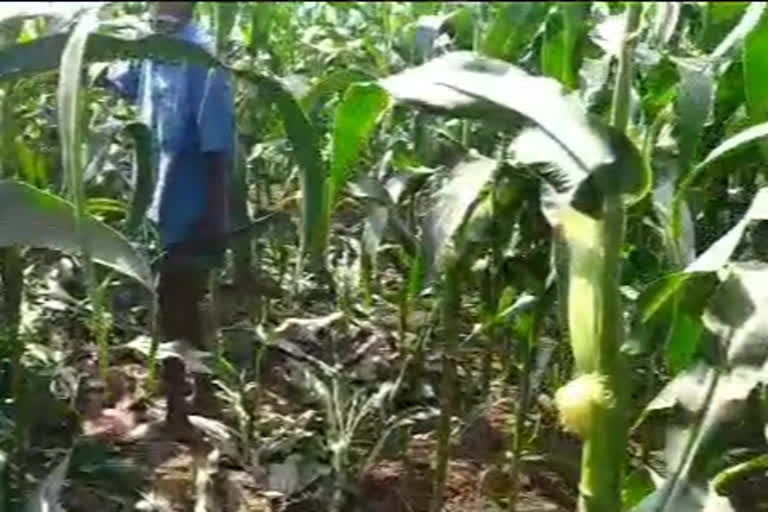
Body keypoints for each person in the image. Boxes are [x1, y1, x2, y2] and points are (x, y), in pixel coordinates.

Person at [103, 2, 235, 435]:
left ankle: (179, 408)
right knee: (169, 299)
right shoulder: (151, 46)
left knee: (175, 301)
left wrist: (215, 213)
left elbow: (217, 145)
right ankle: (194, 393)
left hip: (188, 202)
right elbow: (120, 82)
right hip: (154, 201)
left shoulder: (201, 58)